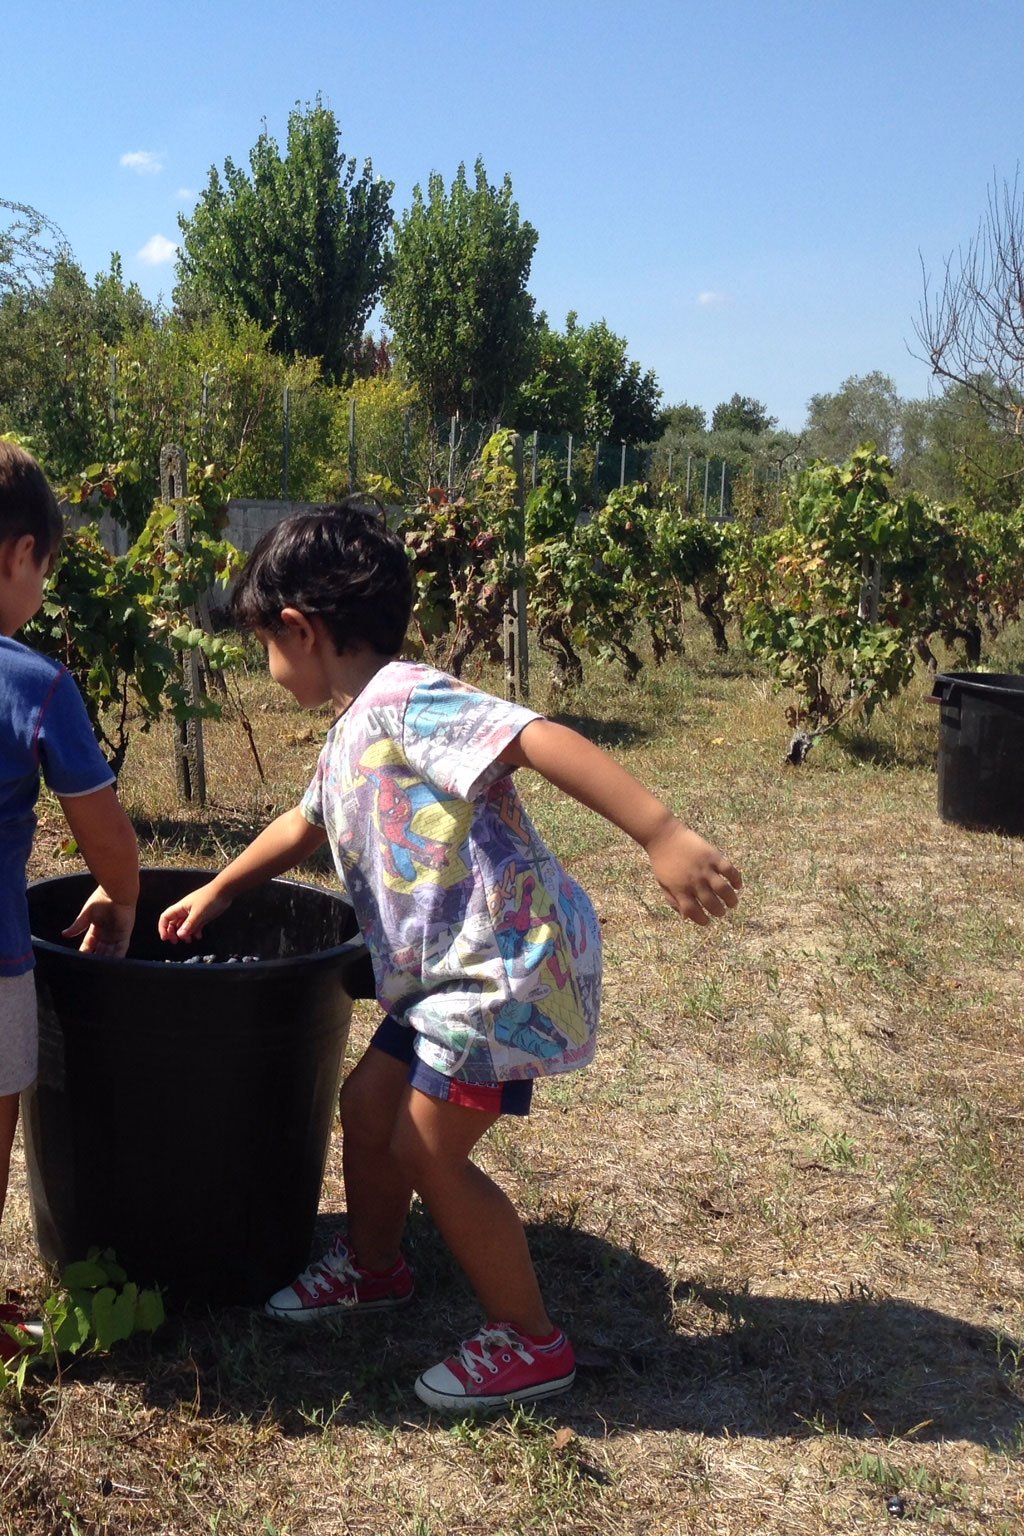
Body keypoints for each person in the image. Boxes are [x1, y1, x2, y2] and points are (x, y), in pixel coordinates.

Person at [157, 499, 741, 1411]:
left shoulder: (408, 699)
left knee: (426, 1150)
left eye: (264, 642)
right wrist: (221, 887)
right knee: (367, 1105)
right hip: (442, 980)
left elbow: (535, 737)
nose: (265, 662)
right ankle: (375, 1268)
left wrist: (661, 831)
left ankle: (531, 1340)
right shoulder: (355, 727)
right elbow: (306, 822)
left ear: (300, 629)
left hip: (500, 968)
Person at [0, 442, 140, 1366]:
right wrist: (121, 897)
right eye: (45, 570)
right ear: (21, 554)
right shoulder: (35, 684)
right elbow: (107, 838)